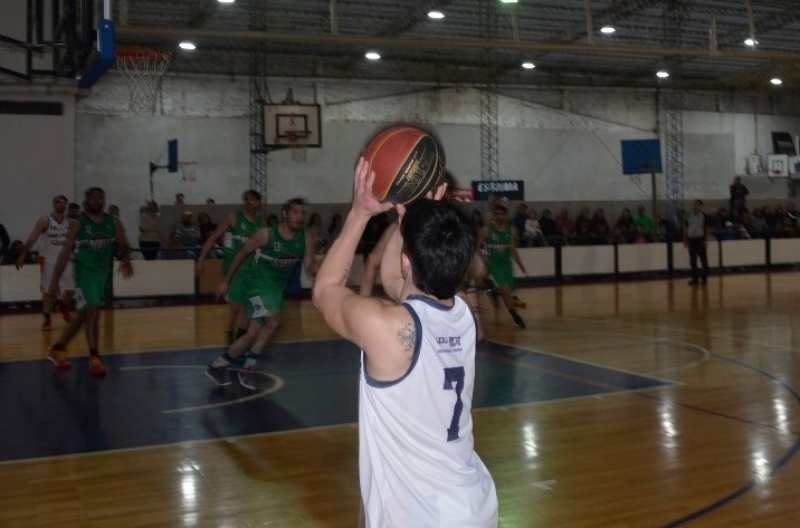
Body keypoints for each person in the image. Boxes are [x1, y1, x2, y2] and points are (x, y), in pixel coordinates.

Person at [312, 158, 498, 527]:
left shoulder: (388, 329)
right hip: (472, 505)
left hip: (422, 517)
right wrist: (413, 213)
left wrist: (360, 213)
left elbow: (325, 290)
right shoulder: (462, 315)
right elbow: (398, 280)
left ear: (407, 259)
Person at [206, 197, 320, 389]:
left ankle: (218, 365)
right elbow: (241, 253)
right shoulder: (265, 234)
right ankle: (249, 367)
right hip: (254, 284)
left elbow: (308, 269)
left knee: (252, 334)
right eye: (295, 212)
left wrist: (318, 268)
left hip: (274, 290)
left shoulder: (306, 237)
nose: (300, 216)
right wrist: (227, 281)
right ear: (285, 214)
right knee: (273, 320)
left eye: (303, 213)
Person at [46, 187, 134, 375]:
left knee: (84, 315)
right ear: (86, 202)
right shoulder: (78, 224)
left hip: (101, 275)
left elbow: (124, 244)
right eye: (92, 197)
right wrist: (54, 281)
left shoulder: (113, 222)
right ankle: (94, 356)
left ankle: (58, 348)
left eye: (100, 197)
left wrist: (126, 260)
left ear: (103, 201)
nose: (96, 200)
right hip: (83, 275)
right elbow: (65, 253)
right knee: (93, 311)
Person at [196, 189, 264, 345]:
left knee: (247, 308)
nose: (248, 202)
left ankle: (239, 341)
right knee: (234, 306)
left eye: (252, 199)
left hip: (251, 268)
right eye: (246, 199)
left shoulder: (261, 224)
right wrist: (201, 259)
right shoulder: (234, 218)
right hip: (234, 268)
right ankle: (228, 340)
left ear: (258, 203)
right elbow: (213, 237)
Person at [15, 194, 76, 330]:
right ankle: (47, 318)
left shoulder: (71, 223)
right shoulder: (44, 221)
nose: (62, 205)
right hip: (49, 259)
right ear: (54, 205)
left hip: (66, 259)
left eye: (64, 203)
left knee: (72, 288)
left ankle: (63, 306)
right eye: (59, 202)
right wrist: (23, 255)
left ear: (66, 206)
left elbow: (74, 242)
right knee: (48, 292)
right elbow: (32, 238)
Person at [477, 203, 527, 329]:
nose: (499, 216)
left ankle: (494, 292)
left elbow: (513, 249)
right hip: (494, 264)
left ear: (506, 216)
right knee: (505, 290)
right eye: (496, 214)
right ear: (493, 216)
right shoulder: (486, 230)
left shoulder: (512, 230)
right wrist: (485, 258)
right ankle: (516, 318)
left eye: (501, 214)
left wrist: (520, 264)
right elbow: (477, 247)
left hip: (506, 265)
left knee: (508, 292)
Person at [684, 199, 712, 286]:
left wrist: (706, 239)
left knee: (703, 260)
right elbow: (685, 228)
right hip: (691, 240)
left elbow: (706, 228)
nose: (696, 206)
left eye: (698, 205)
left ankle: (704, 278)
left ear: (701, 206)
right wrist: (685, 240)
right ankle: (695, 278)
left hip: (700, 240)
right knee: (693, 260)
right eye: (695, 204)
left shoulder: (704, 216)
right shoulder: (688, 216)